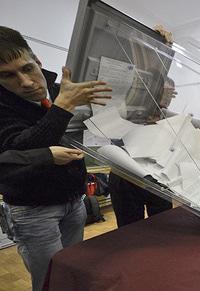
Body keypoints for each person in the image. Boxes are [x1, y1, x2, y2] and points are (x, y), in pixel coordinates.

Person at [0, 26, 111, 291]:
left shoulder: (61, 88)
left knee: (71, 270)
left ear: (38, 60)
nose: (25, 82)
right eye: (7, 76)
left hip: (74, 201)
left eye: (27, 68)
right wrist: (63, 108)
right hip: (33, 210)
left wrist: (146, 43)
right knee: (50, 281)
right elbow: (17, 149)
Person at [108, 26, 175, 228]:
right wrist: (154, 46)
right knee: (129, 229)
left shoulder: (167, 116)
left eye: (172, 94)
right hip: (125, 176)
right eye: (165, 92)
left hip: (157, 175)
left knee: (163, 225)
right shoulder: (126, 105)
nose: (169, 97)